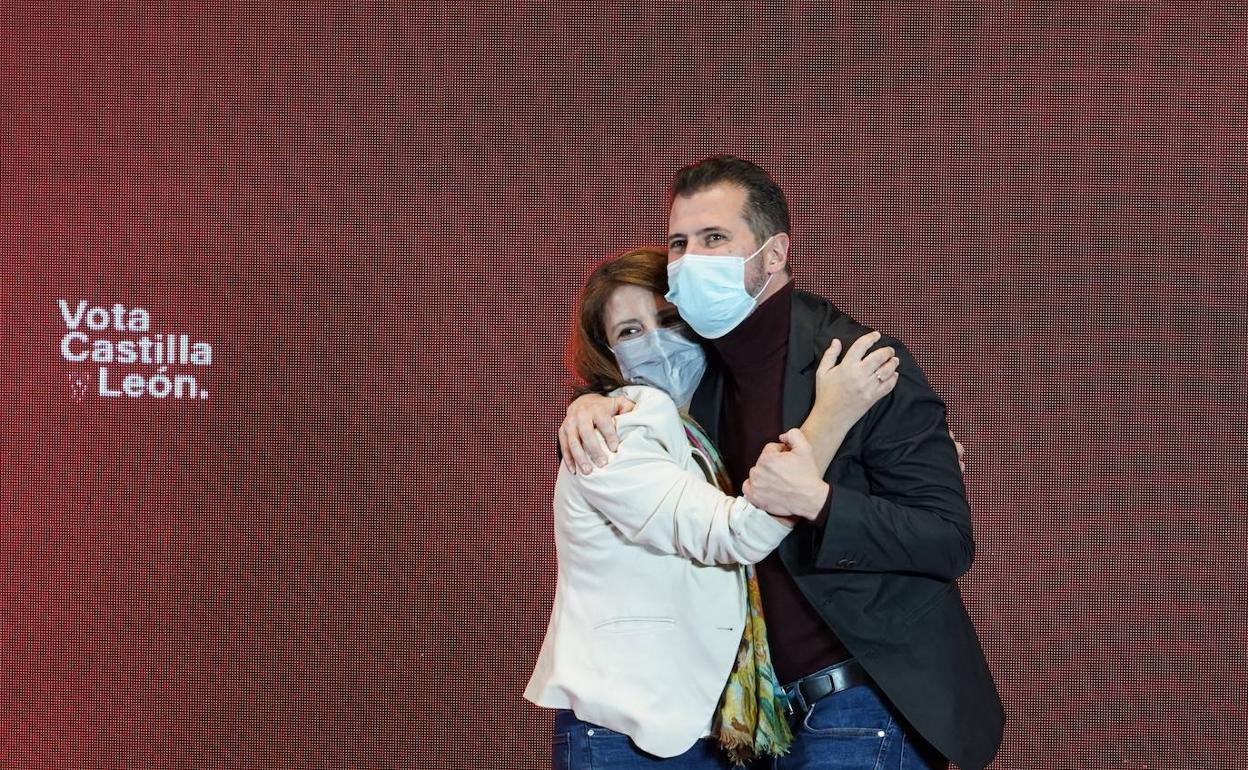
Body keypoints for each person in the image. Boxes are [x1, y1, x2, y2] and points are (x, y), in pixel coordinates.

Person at [559, 157, 1004, 770]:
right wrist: (589, 401)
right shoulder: (701, 372)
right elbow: (650, 400)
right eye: (680, 243)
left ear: (772, 255)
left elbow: (947, 540)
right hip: (757, 723)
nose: (692, 259)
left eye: (715, 239)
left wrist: (822, 503)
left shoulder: (858, 365)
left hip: (860, 699)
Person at [526, 246, 901, 768]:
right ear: (608, 355)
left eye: (669, 320)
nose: (657, 344)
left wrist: (898, 455)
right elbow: (736, 533)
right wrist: (835, 414)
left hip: (696, 729)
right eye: (630, 332)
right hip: (629, 731)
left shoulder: (703, 430)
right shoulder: (618, 432)